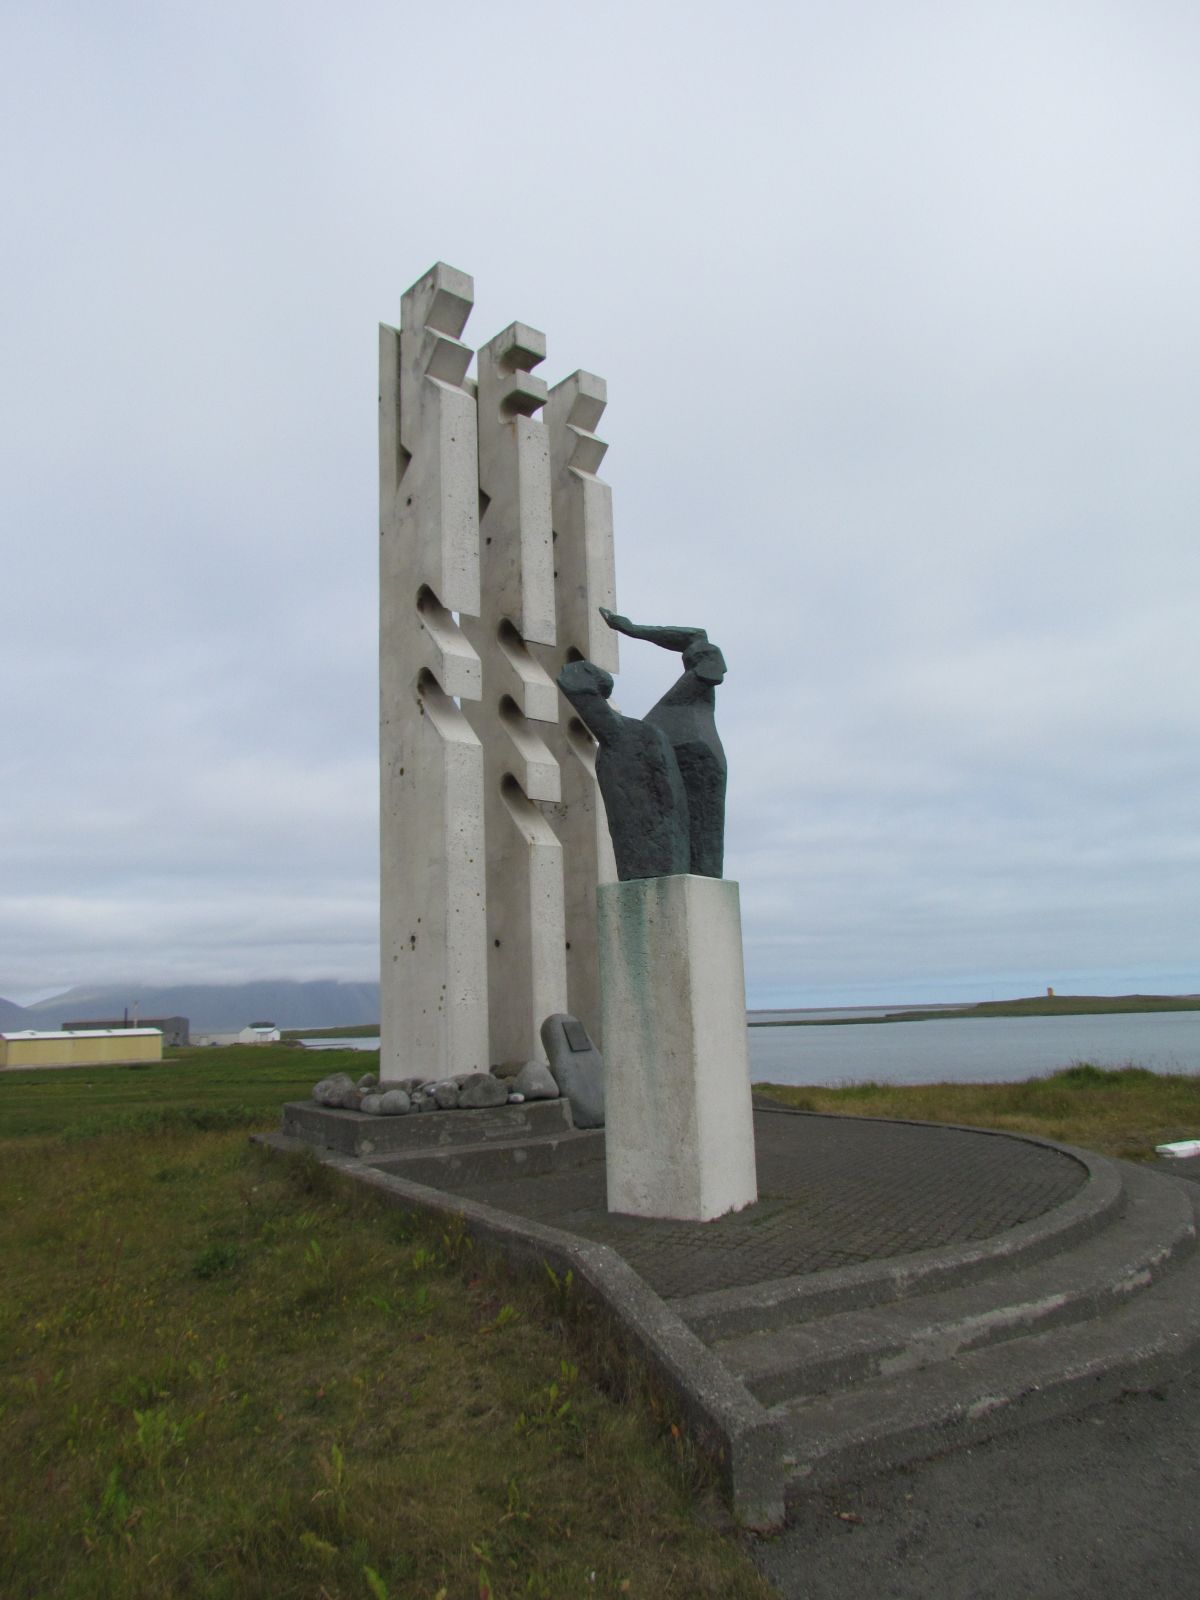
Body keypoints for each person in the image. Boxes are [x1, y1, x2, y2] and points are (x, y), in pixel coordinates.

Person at [599, 608, 727, 878]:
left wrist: (633, 630)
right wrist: (632, 630)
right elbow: (693, 635)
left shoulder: (702, 675)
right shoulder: (691, 678)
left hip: (697, 753)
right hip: (680, 748)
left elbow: (700, 647)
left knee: (703, 860)